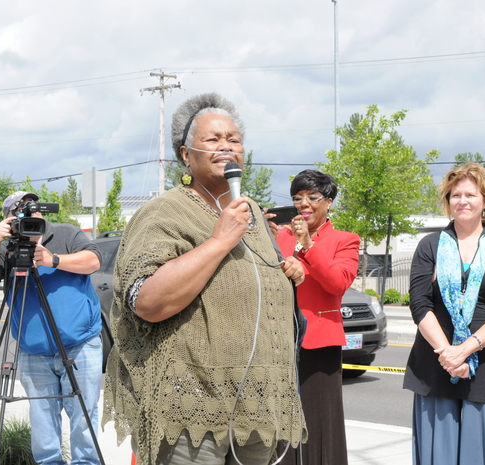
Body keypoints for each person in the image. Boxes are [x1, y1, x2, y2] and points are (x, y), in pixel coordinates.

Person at [102, 92, 306, 465]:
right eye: (213, 139)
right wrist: (219, 240)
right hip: (191, 407)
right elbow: (147, 300)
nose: (226, 146)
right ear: (185, 155)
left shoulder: (253, 213)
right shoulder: (163, 212)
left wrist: (288, 272)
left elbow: (257, 283)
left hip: (256, 405)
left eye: (234, 139)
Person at [403, 163, 485, 465]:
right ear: (448, 201)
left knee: (482, 455)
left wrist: (466, 350)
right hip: (436, 364)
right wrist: (448, 354)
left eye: (471, 194)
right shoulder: (429, 246)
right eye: (456, 195)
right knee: (438, 455)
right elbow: (420, 303)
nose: (463, 201)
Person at [0, 191, 103, 465]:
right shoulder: (7, 248)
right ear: (10, 219)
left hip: (80, 346)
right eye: (21, 211)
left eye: (34, 208)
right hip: (34, 352)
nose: (32, 214)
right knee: (43, 426)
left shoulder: (66, 233)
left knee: (83, 420)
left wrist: (52, 259)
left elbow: (95, 260)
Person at [266, 169, 360, 465]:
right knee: (280, 423)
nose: (304, 204)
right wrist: (262, 236)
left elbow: (337, 283)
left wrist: (308, 244)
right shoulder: (280, 237)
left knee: (320, 421)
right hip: (279, 343)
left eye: (312, 198)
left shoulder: (345, 240)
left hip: (319, 345)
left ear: (329, 202)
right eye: (297, 198)